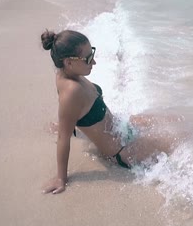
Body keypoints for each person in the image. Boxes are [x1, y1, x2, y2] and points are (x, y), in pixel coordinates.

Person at [40, 29, 178, 194]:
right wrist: (61, 178)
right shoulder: (71, 91)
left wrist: (66, 122)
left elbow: (72, 111)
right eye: (88, 59)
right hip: (122, 151)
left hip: (122, 128)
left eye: (92, 53)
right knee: (181, 141)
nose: (94, 62)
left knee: (174, 119)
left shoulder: (67, 74)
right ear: (69, 62)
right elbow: (63, 137)